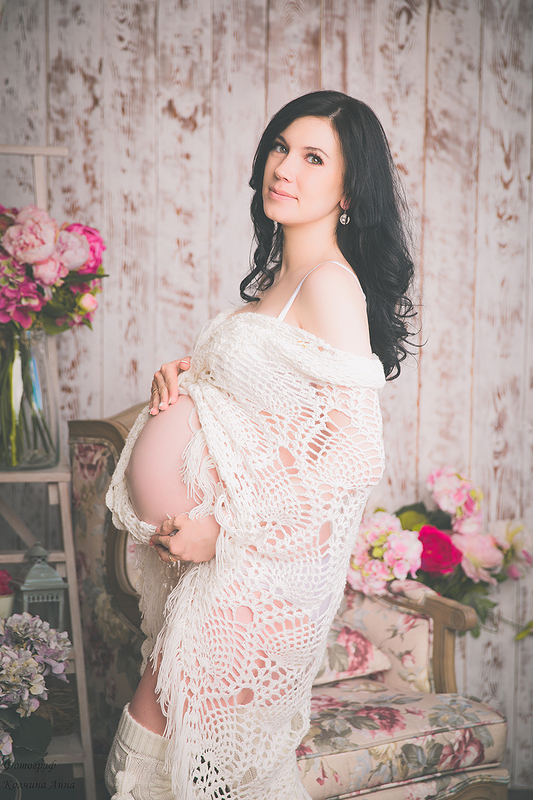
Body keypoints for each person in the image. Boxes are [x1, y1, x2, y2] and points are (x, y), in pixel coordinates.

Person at [105, 90, 415, 800]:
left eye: (313, 158)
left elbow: (348, 455)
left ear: (349, 192)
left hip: (256, 575)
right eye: (280, 146)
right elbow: (274, 407)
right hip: (224, 575)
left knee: (172, 761)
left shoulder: (330, 283)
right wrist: (189, 374)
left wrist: (221, 531)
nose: (285, 167)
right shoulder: (281, 283)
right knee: (167, 758)